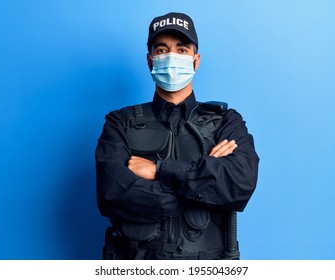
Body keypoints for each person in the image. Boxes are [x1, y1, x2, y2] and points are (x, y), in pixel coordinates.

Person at [95, 12, 259, 260]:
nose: (171, 57)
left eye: (181, 50)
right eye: (162, 50)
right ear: (150, 61)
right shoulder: (120, 122)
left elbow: (240, 183)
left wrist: (160, 170)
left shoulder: (226, 121)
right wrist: (203, 186)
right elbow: (112, 194)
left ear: (196, 60)